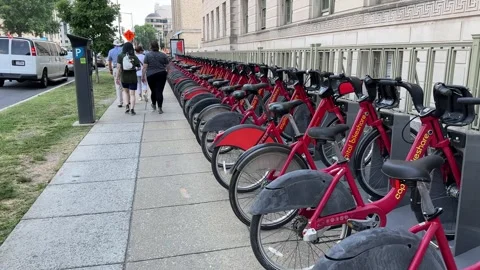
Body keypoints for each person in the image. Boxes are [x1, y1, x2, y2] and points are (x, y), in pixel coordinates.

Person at [142, 40, 169, 114]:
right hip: (161, 74)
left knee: (153, 91)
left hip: (150, 75)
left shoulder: (147, 55)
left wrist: (143, 76)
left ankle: (154, 104)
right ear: (158, 46)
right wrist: (167, 73)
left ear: (151, 47)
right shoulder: (163, 55)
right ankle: (160, 108)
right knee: (159, 91)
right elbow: (167, 65)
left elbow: (145, 67)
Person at [116, 42, 141, 115]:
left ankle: (127, 106)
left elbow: (118, 67)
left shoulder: (120, 56)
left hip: (124, 78)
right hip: (133, 78)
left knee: (125, 92)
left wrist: (117, 77)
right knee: (132, 94)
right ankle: (132, 109)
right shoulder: (134, 56)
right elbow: (139, 67)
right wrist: (134, 69)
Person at [107, 40, 123, 107]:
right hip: (123, 68)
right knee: (124, 84)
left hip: (116, 68)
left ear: (114, 45)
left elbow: (109, 62)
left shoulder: (111, 51)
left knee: (118, 85)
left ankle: (120, 102)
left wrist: (110, 69)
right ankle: (128, 100)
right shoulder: (122, 50)